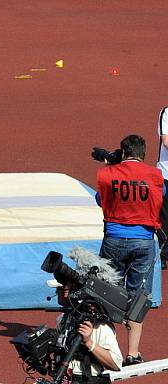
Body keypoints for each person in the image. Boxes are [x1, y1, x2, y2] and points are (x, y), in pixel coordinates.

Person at [95, 134, 163, 367]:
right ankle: (133, 352)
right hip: (144, 242)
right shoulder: (155, 176)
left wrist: (113, 167)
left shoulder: (107, 174)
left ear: (123, 153)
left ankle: (104, 349)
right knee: (139, 297)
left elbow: (99, 199)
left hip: (114, 239)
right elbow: (161, 195)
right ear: (143, 154)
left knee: (107, 292)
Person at [53, 281, 123, 383]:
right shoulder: (63, 319)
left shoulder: (100, 326)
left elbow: (116, 364)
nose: (58, 293)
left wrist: (89, 342)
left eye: (61, 289)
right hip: (65, 378)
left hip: (88, 379)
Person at [155, 106, 168, 270]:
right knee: (164, 216)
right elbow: (166, 141)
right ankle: (164, 255)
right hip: (166, 174)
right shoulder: (166, 112)